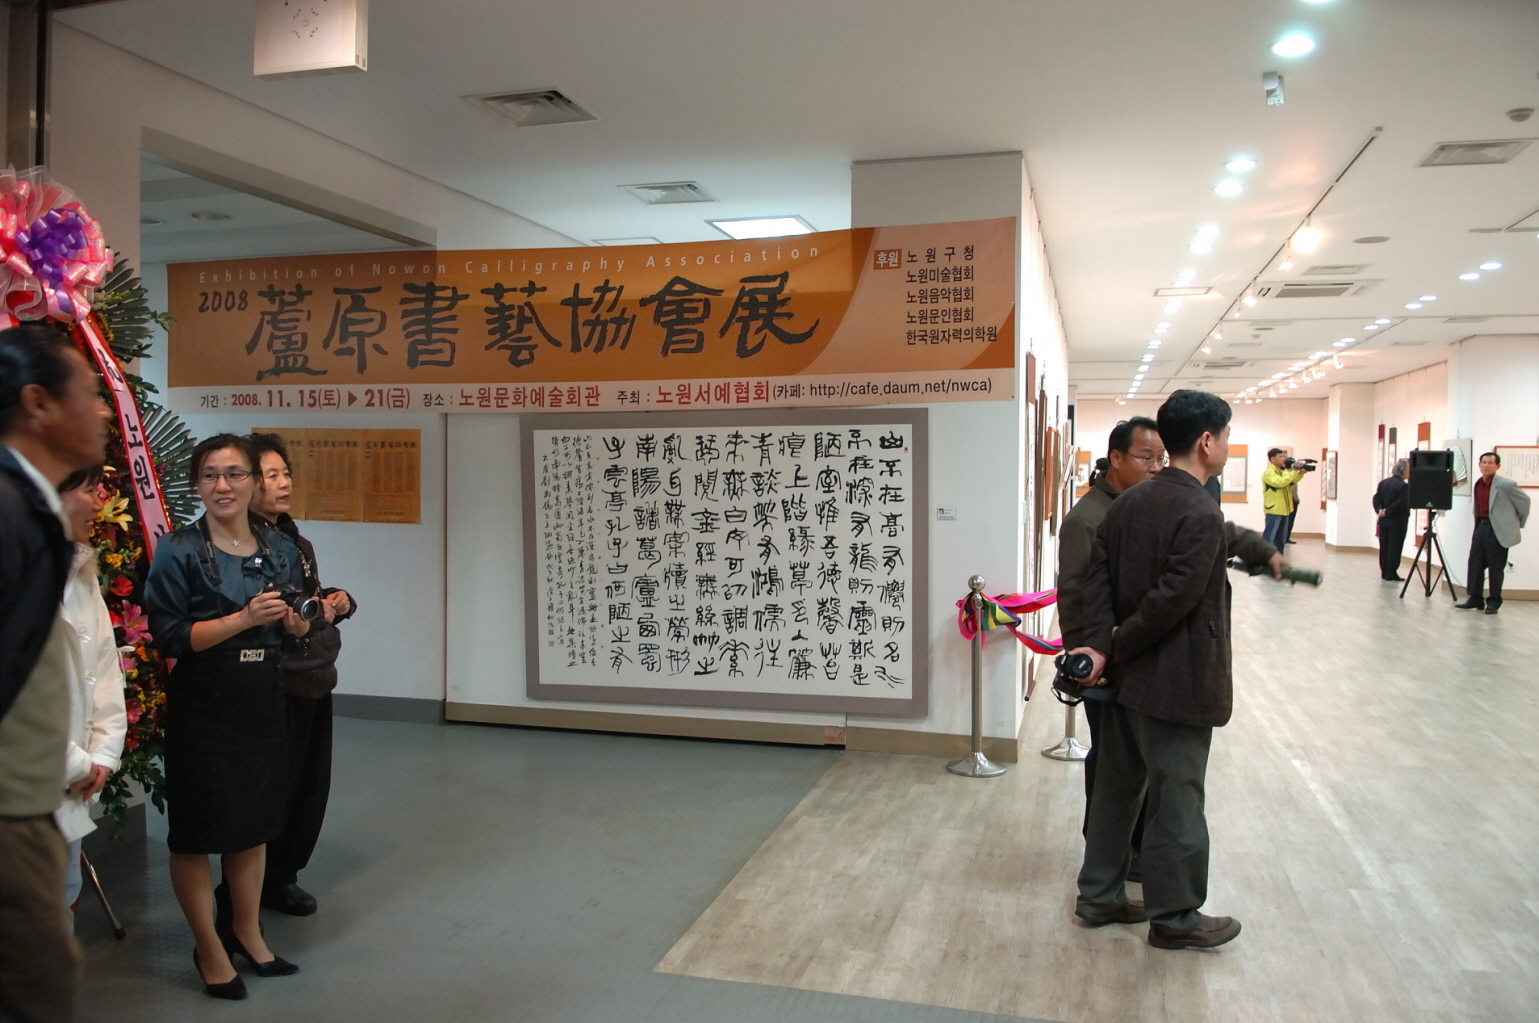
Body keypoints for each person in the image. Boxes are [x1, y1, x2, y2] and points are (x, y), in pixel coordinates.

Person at [1068, 390, 1282, 951]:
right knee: (1177, 797)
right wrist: (1119, 643)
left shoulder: (1127, 502)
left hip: (1122, 680)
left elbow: (1095, 584)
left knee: (1117, 790)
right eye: (1226, 436)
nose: (1227, 445)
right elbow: (1173, 599)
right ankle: (1176, 917)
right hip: (1175, 681)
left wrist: (1104, 647)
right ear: (1206, 441)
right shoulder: (1199, 511)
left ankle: (1098, 895)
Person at [144, 434, 310, 1000]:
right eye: (210, 475)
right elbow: (170, 636)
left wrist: (296, 624)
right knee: (196, 833)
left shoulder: (278, 546)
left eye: (235, 474)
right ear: (197, 484)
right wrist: (242, 619)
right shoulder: (178, 549)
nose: (223, 486)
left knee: (253, 825)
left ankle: (246, 931)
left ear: (252, 482)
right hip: (203, 705)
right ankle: (209, 948)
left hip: (261, 699)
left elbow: (294, 626)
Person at [1, 322, 111, 1023]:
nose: (103, 410)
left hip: (26, 799)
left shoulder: (29, 508)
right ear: (38, 403)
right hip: (8, 808)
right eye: (90, 393)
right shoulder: (9, 512)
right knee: (39, 985)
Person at [236, 432, 354, 919]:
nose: (283, 483)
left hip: (314, 675)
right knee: (271, 789)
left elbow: (307, 598)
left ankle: (283, 876)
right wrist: (312, 614)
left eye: (285, 473)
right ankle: (250, 885)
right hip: (275, 681)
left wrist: (337, 602)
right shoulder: (239, 544)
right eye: (271, 475)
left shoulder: (296, 541)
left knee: (308, 787)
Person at [1058, 417, 1164, 876]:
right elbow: (1075, 600)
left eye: (1160, 458)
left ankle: (1132, 849)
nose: (1155, 467)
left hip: (1136, 661)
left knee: (1135, 762)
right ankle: (1106, 856)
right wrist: (1090, 666)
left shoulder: (1137, 507)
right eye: (1146, 458)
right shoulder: (1088, 518)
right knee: (1110, 763)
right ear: (1116, 458)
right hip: (1105, 666)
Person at [54, 466, 128, 918]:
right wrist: (76, 765)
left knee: (60, 900)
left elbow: (104, 670)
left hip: (69, 786)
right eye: (88, 490)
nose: (100, 502)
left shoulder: (80, 571)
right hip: (28, 781)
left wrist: (102, 755)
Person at [1455, 451, 1531, 615]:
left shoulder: (1505, 484)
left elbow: (1525, 502)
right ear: (1479, 465)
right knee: (1475, 564)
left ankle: (1494, 601)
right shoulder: (1478, 483)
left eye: (1490, 463)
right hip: (1481, 527)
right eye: (1484, 462)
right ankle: (1475, 598)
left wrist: (1516, 523)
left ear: (1497, 466)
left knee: (1495, 568)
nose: (1486, 465)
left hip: (1497, 530)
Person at [1261, 448, 1307, 549]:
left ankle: (1279, 557)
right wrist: (1294, 471)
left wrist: (1301, 473)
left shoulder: (1282, 472)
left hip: (1285, 509)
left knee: (1281, 539)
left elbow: (1292, 480)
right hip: (1274, 509)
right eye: (1280, 456)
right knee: (1270, 537)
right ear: (1272, 459)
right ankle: (1264, 557)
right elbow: (1281, 483)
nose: (1283, 459)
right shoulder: (1269, 473)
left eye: (1284, 456)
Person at [1373, 460, 1410, 582]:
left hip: (1383, 521)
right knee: (1395, 548)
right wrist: (1388, 511)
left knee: (1384, 547)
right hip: (1397, 522)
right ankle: (1391, 573)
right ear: (1404, 471)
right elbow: (1401, 503)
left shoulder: (1383, 483)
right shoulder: (1403, 486)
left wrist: (1380, 510)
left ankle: (1384, 571)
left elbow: (1376, 498)